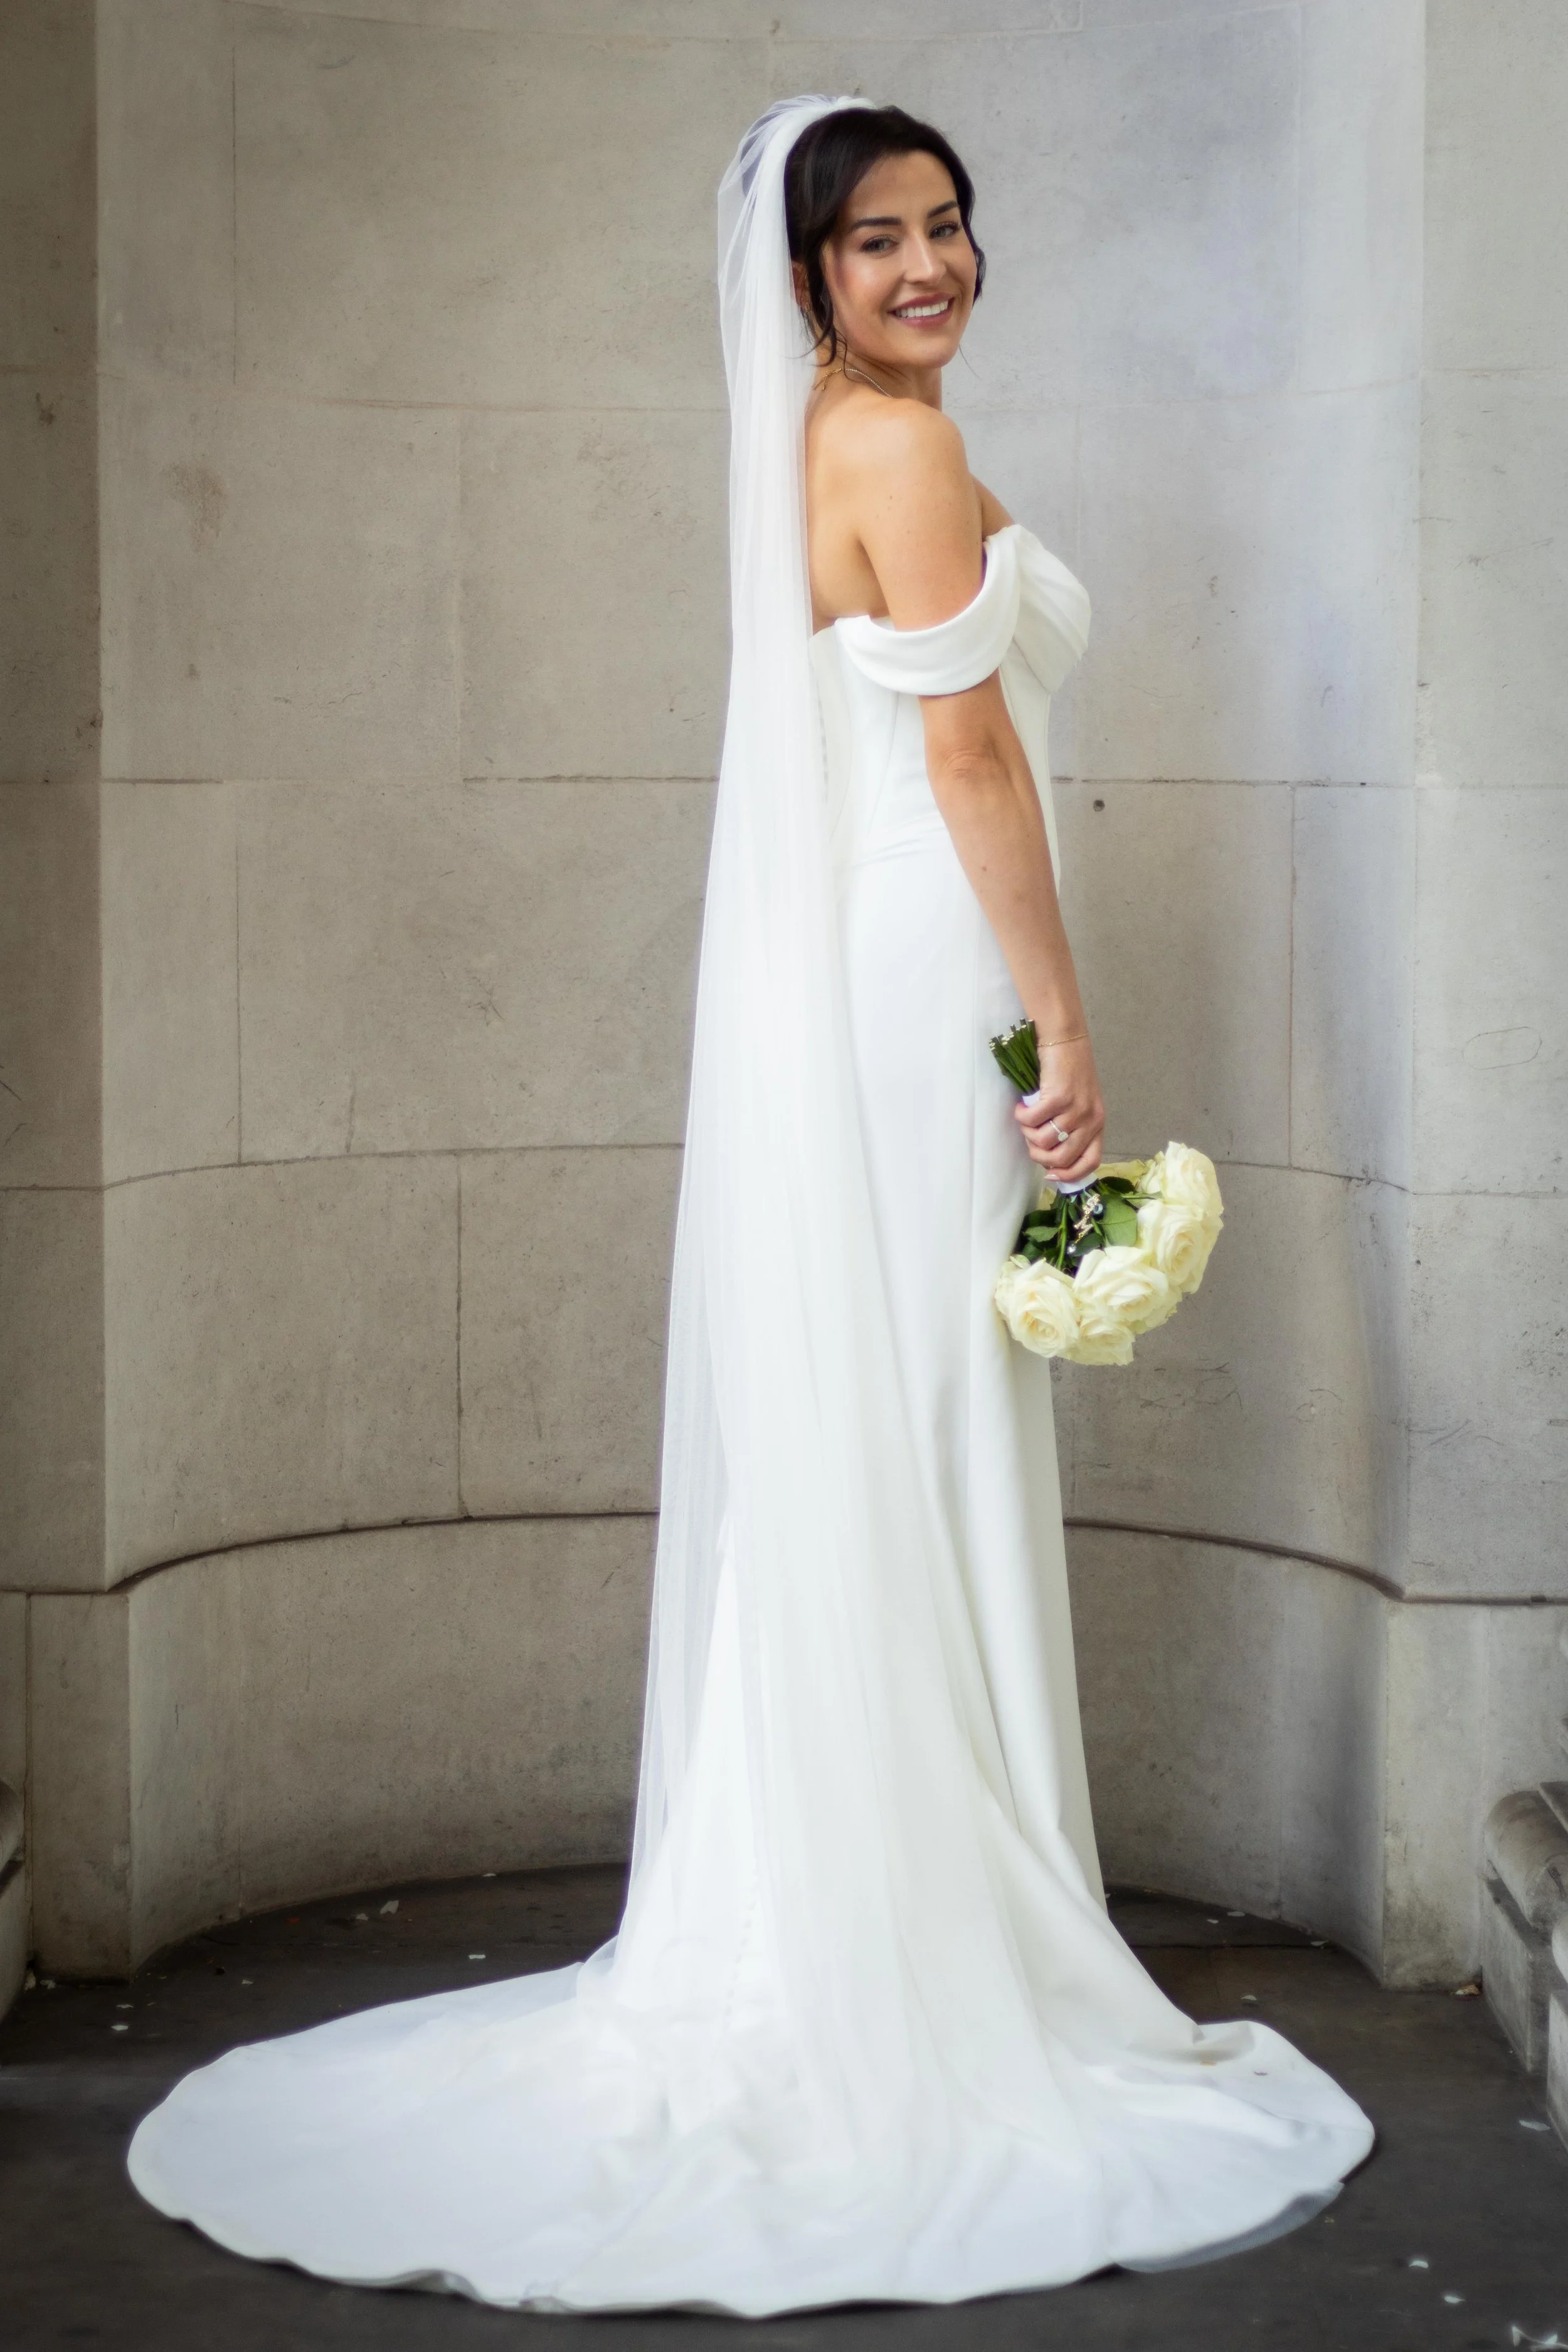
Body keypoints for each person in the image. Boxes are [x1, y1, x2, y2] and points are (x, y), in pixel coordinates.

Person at [126, 97, 1373, 2315]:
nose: (930, 265)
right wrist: (1062, 1026)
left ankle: (845, 1894)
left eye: (950, 226)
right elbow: (968, 754)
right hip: (928, 976)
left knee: (876, 1429)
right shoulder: (889, 450)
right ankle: (890, 1946)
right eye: (879, 238)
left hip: (870, 975)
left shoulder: (831, 431)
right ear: (801, 275)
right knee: (902, 1427)